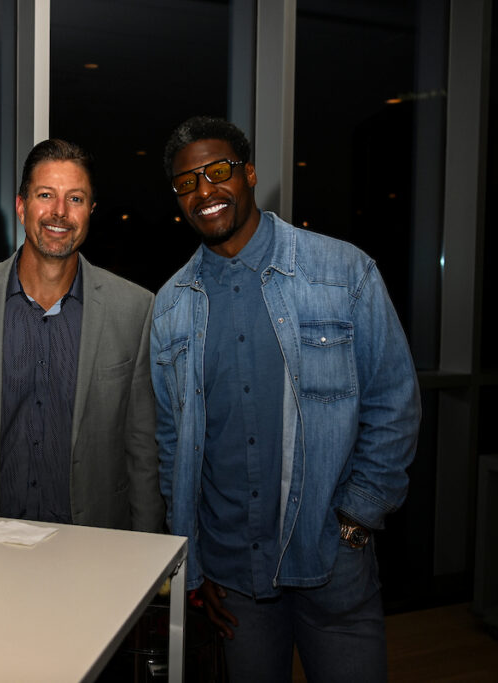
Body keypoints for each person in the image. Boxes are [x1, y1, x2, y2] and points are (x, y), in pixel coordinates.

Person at [152, 116, 420, 681]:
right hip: (234, 580)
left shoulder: (342, 271)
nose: (204, 191)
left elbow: (393, 401)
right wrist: (194, 568)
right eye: (186, 182)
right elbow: (173, 446)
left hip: (332, 561)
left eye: (217, 171)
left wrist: (357, 520)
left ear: (249, 174)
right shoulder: (172, 304)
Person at [0, 139, 163, 532]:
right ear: (22, 207)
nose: (59, 212)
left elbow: (142, 450)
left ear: (90, 212)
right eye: (45, 195)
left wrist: (150, 557)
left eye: (75, 198)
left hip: (93, 545)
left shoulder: (135, 309)